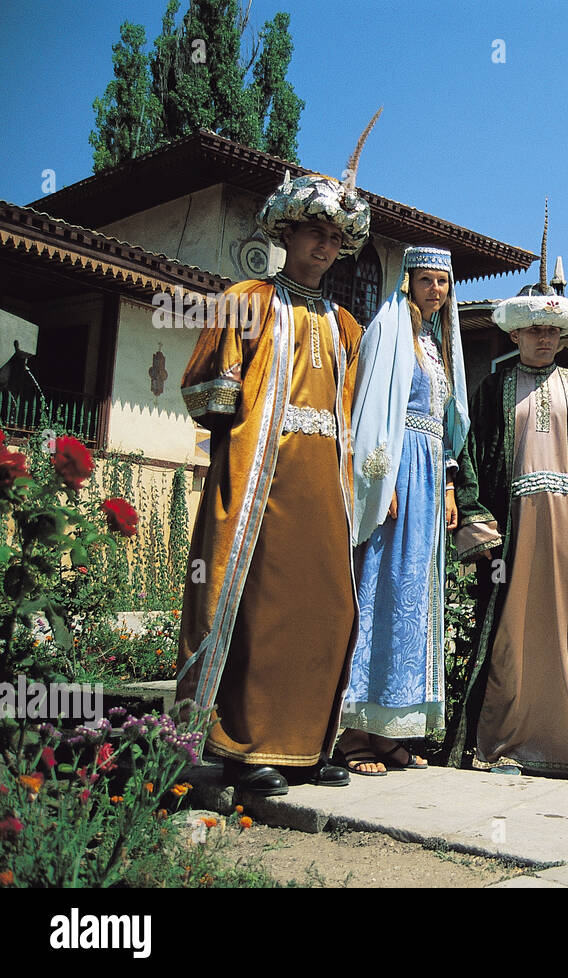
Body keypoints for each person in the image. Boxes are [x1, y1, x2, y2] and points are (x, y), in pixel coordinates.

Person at [176, 132, 379, 796]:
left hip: (325, 487)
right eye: (312, 232)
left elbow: (354, 417)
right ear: (287, 233)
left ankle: (307, 744)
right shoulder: (248, 299)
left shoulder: (348, 326)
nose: (323, 246)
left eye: (334, 238)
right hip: (262, 479)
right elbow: (208, 391)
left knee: (324, 608)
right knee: (258, 609)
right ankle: (243, 748)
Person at [447, 265, 568, 786]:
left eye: (552, 331)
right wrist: (477, 520)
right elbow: (469, 456)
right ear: (515, 334)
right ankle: (501, 742)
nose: (545, 338)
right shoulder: (492, 390)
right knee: (512, 629)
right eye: (535, 330)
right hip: (516, 528)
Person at [338, 246, 469, 775]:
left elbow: (445, 422)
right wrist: (380, 479)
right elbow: (368, 407)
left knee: (413, 595)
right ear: (408, 281)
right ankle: (353, 734)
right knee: (380, 586)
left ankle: (393, 728)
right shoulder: (388, 330)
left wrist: (450, 486)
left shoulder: (437, 346)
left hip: (431, 476)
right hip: (396, 471)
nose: (435, 289)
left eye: (443, 281)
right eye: (427, 280)